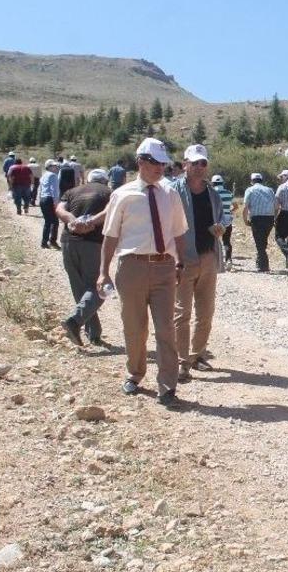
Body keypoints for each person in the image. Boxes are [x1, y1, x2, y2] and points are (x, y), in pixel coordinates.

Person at [98, 137, 189, 406]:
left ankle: (167, 387)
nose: (160, 168)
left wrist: (180, 263)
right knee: (134, 327)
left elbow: (179, 232)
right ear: (140, 162)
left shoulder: (170, 194)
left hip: (164, 267)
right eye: (155, 163)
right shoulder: (122, 195)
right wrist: (103, 272)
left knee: (166, 329)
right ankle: (135, 373)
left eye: (163, 164)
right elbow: (110, 236)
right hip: (132, 267)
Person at [173, 144, 226, 383]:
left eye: (203, 163)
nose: (199, 167)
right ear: (185, 164)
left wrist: (220, 227)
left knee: (206, 312)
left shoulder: (212, 193)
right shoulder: (172, 190)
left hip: (208, 257)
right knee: (182, 312)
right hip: (183, 259)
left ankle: (197, 355)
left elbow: (222, 216)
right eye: (194, 163)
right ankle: (181, 361)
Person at [56, 168, 112, 347]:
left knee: (80, 289)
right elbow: (109, 212)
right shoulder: (109, 193)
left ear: (88, 180)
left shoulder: (72, 191)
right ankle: (74, 322)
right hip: (93, 243)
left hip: (68, 242)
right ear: (105, 181)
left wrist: (73, 221)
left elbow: (59, 209)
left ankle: (93, 333)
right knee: (102, 288)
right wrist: (89, 223)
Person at [242, 173, 276, 272]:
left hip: (257, 218)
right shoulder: (269, 190)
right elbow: (275, 205)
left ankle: (264, 266)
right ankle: (259, 261)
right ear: (261, 180)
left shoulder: (250, 190)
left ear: (252, 181)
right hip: (269, 218)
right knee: (263, 240)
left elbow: (245, 207)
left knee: (259, 242)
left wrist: (245, 220)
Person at [211, 174, 234, 267]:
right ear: (222, 183)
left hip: (214, 220)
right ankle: (228, 260)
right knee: (226, 241)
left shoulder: (211, 193)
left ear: (213, 183)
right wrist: (229, 211)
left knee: (212, 241)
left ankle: (214, 261)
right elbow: (235, 206)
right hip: (227, 220)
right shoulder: (229, 193)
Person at [37, 159, 61, 248]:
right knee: (55, 222)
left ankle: (44, 242)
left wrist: (39, 199)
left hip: (43, 199)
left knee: (48, 221)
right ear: (49, 167)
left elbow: (40, 189)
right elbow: (54, 190)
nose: (56, 167)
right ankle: (52, 241)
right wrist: (56, 203)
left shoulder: (44, 176)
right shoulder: (53, 175)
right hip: (49, 199)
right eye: (54, 166)